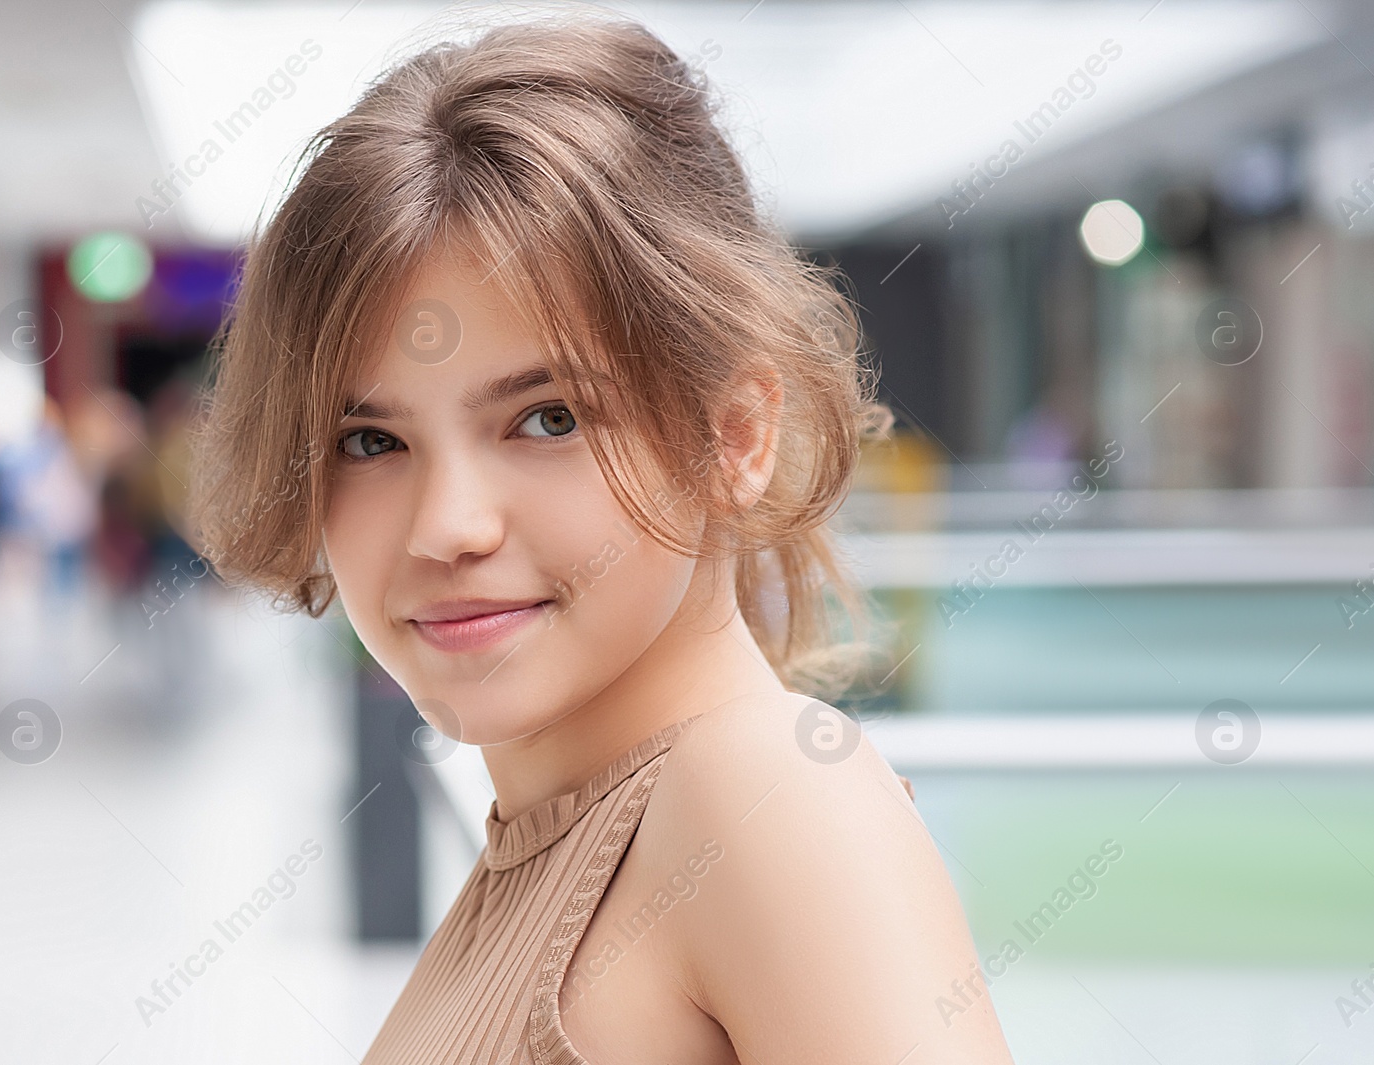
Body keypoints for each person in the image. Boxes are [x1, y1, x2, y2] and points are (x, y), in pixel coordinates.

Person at [191, 13, 1014, 1064]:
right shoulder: (549, 841)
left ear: (736, 435)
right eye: (368, 438)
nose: (448, 527)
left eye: (548, 419)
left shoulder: (766, 799)